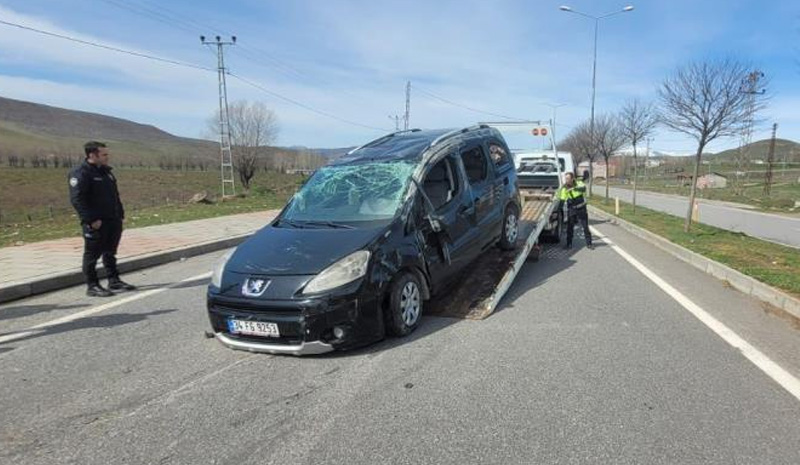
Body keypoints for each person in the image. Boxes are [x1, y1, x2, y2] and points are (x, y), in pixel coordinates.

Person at [69, 141, 136, 297]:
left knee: (110, 252)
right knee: (92, 255)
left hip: (113, 219)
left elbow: (114, 195)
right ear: (92, 155)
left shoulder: (106, 172)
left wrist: (120, 214)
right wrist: (91, 219)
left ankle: (114, 280)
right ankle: (92, 285)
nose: (107, 157)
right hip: (96, 222)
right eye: (104, 154)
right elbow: (77, 199)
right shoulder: (81, 173)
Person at [558, 171, 593, 250]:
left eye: (568, 178)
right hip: (572, 208)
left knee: (585, 227)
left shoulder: (579, 183)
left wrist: (574, 188)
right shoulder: (564, 188)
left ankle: (589, 244)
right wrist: (558, 210)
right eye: (565, 178)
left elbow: (583, 189)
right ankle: (569, 244)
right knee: (570, 227)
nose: (566, 180)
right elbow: (562, 200)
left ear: (572, 178)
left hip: (581, 208)